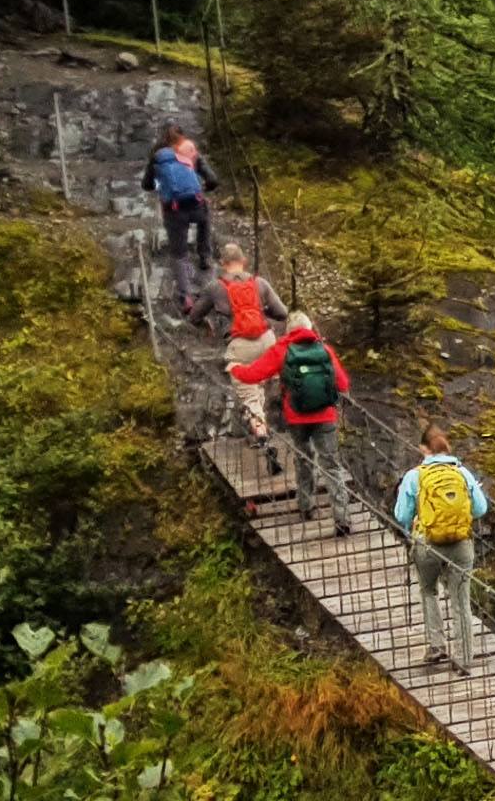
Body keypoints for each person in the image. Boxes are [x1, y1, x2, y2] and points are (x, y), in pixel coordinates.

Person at [232, 309, 354, 532]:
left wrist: (235, 369)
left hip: (297, 417)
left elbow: (255, 374)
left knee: (303, 457)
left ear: (288, 331)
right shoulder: (324, 350)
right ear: (309, 329)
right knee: (332, 467)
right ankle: (342, 519)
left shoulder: (282, 350)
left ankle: (306, 505)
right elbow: (343, 384)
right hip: (325, 416)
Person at [392, 424, 490, 669]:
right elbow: (480, 509)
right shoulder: (463, 473)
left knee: (428, 590)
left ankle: (437, 645)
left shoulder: (414, 476)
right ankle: (465, 657)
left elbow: (401, 514)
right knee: (461, 599)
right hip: (460, 543)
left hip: (427, 542)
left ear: (423, 448)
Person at [213, 246, 289, 451]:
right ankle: (263, 426)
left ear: (223, 264)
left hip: (240, 346)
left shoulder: (216, 287)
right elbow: (282, 313)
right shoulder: (260, 283)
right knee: (260, 383)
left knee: (248, 394)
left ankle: (262, 435)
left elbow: (193, 316)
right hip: (267, 342)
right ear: (243, 261)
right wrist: (261, 312)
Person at [143, 126, 217, 325]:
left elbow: (146, 185)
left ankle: (185, 296)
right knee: (204, 219)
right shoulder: (191, 153)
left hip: (173, 210)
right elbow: (213, 179)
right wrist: (203, 188)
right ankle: (205, 256)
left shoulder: (158, 158)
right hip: (195, 203)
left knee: (179, 253)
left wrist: (160, 184)